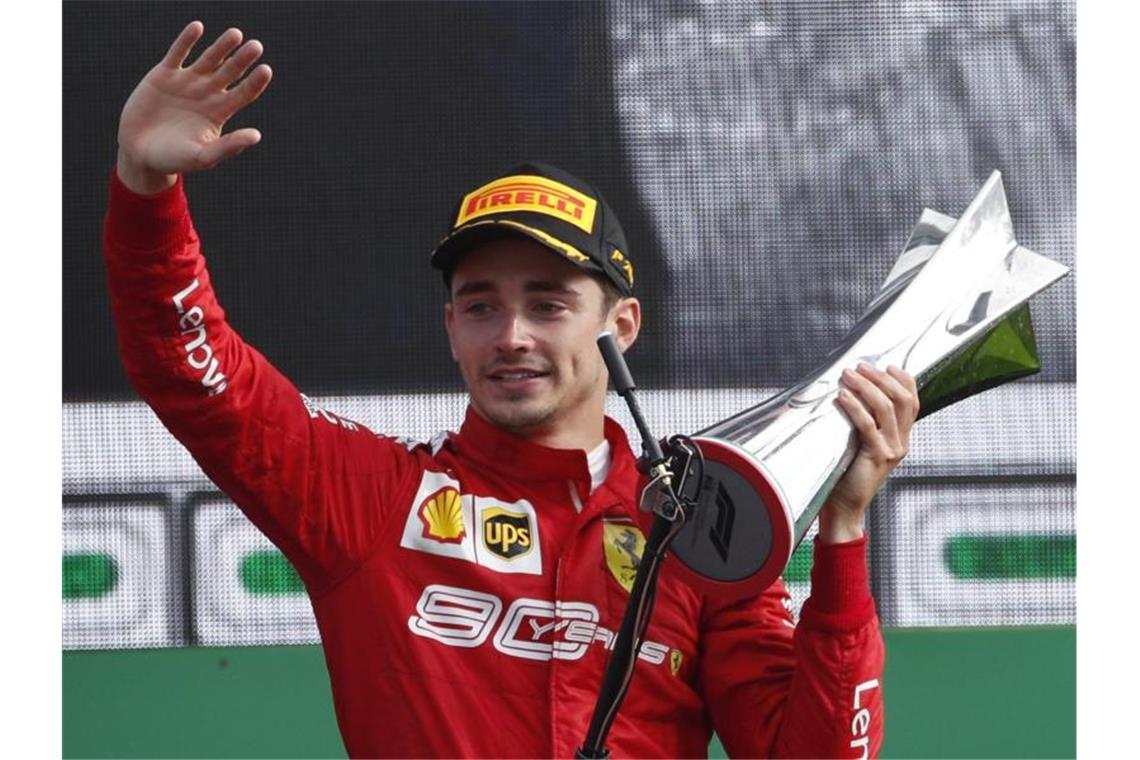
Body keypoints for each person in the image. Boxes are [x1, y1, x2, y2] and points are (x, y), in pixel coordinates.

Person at [105, 21, 919, 759]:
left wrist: (842, 532)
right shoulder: (371, 500)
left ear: (624, 325)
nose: (512, 335)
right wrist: (148, 193)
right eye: (481, 306)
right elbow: (195, 373)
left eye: (549, 304)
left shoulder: (693, 528)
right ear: (450, 331)